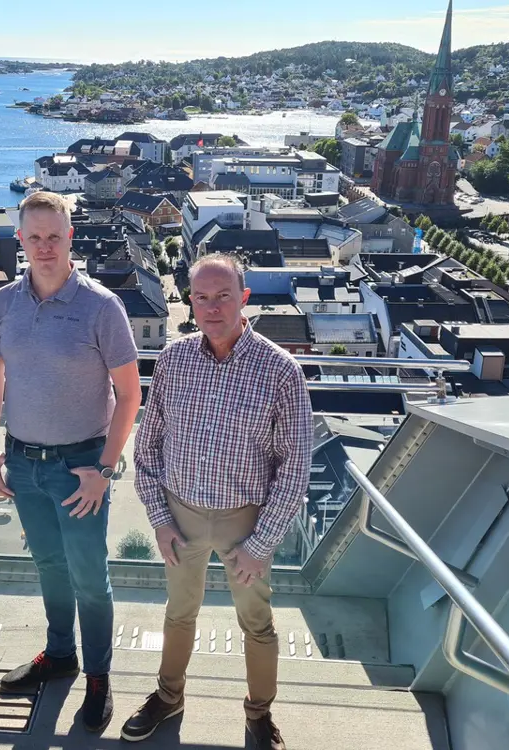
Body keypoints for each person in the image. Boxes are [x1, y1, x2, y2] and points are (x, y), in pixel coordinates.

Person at [124, 253, 312, 750]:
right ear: (190, 301)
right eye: (201, 297)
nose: (212, 307)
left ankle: (258, 714)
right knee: (178, 612)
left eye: (223, 295)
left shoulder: (280, 370)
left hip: (245, 524)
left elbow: (295, 469)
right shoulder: (174, 359)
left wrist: (261, 542)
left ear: (243, 298)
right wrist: (161, 521)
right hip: (180, 515)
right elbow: (147, 450)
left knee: (257, 624)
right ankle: (169, 698)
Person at [0, 191, 141, 732]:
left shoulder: (101, 306)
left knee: (90, 578)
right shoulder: (4, 303)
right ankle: (59, 653)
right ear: (20, 241)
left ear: (70, 238)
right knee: (48, 566)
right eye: (35, 237)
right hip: (23, 462)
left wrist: (106, 467)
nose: (45, 247)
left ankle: (98, 677)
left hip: (80, 469)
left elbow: (129, 394)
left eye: (54, 236)